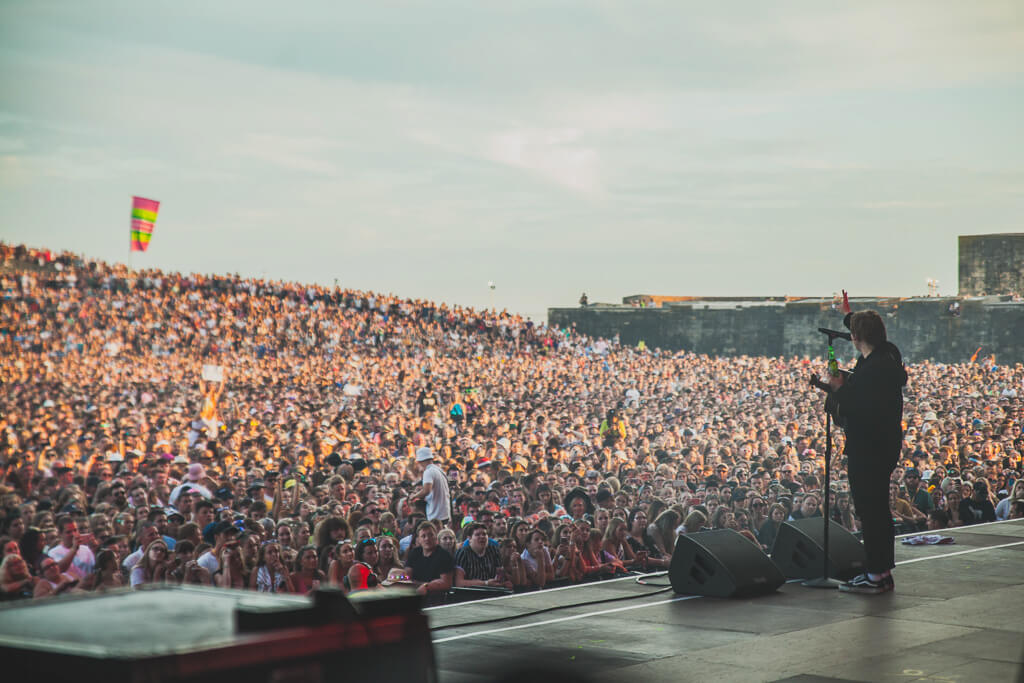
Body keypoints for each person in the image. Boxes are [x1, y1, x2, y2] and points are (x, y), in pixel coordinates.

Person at [827, 308, 907, 595]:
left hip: (868, 448)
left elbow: (860, 409)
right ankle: (881, 571)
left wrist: (838, 389)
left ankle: (875, 575)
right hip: (884, 445)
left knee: (870, 511)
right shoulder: (888, 355)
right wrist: (851, 316)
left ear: (856, 337)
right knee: (878, 510)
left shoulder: (873, 369)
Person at [410, 447, 450, 526]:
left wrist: (414, 496)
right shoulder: (439, 470)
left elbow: (426, 490)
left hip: (436, 514)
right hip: (444, 512)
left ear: (420, 461)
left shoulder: (428, 472)